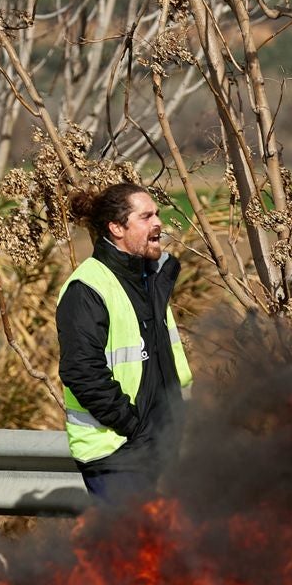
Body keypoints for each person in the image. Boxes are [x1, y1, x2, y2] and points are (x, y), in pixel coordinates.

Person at [56, 183, 193, 501]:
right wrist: (136, 427)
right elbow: (82, 372)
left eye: (157, 214)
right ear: (116, 228)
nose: (158, 223)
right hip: (117, 455)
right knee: (130, 550)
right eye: (146, 216)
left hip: (160, 447)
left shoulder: (151, 278)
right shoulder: (87, 287)